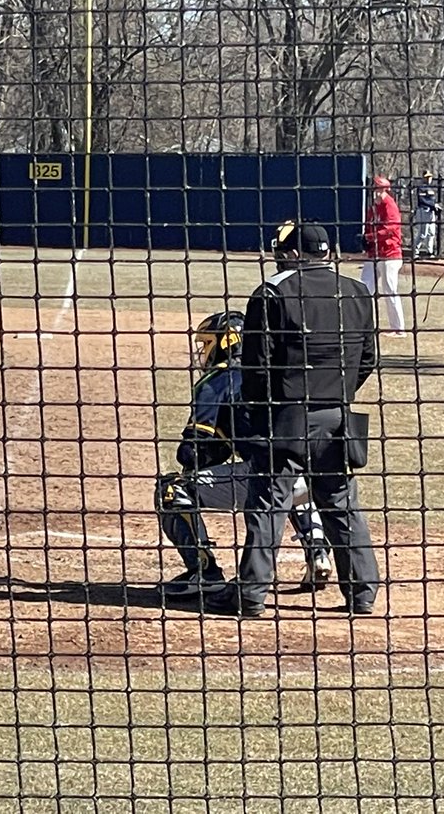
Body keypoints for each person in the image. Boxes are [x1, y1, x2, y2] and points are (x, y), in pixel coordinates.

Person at [203, 222, 381, 618]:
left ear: (295, 254)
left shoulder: (272, 293)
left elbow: (256, 367)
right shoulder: (356, 291)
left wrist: (264, 411)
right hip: (338, 418)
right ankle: (362, 594)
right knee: (341, 504)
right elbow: (368, 358)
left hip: (285, 417)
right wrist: (337, 392)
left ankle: (250, 596)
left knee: (268, 505)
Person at [156, 310, 332, 599]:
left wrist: (195, 457)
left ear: (225, 343)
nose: (203, 352)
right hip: (318, 474)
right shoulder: (275, 369)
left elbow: (194, 449)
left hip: (264, 477)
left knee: (172, 489)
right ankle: (318, 553)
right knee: (288, 476)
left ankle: (204, 573)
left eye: (207, 343)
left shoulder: (218, 378)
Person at [361, 174, 407, 337]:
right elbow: (368, 226)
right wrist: (365, 238)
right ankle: (362, 324)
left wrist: (370, 236)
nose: (375, 191)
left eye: (378, 188)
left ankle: (399, 329)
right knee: (364, 287)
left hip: (390, 254)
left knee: (389, 290)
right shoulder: (373, 207)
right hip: (374, 254)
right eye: (374, 188)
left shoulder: (389, 205)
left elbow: (391, 229)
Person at [412, 170, 441, 259]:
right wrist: (433, 205)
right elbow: (422, 200)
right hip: (423, 211)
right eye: (427, 177)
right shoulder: (421, 187)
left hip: (430, 212)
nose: (429, 179)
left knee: (431, 233)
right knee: (422, 233)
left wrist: (436, 207)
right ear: (423, 178)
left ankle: (430, 252)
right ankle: (415, 252)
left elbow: (432, 200)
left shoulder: (431, 188)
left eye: (430, 177)